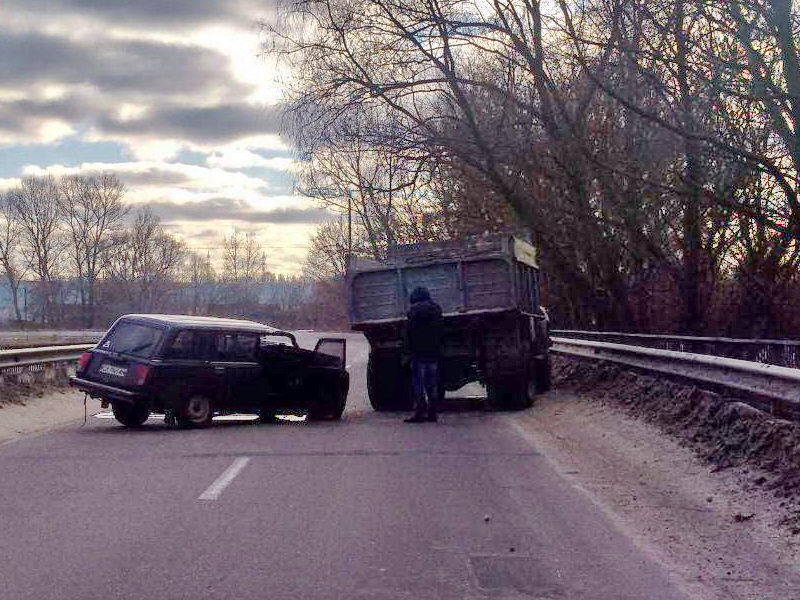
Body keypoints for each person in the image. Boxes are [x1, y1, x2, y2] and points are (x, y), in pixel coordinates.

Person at [404, 286, 443, 423]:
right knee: (432, 384)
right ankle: (433, 413)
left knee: (418, 384)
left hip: (418, 354)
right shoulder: (436, 309)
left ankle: (419, 413)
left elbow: (409, 333)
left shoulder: (413, 311)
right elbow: (440, 331)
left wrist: (407, 351)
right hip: (433, 353)